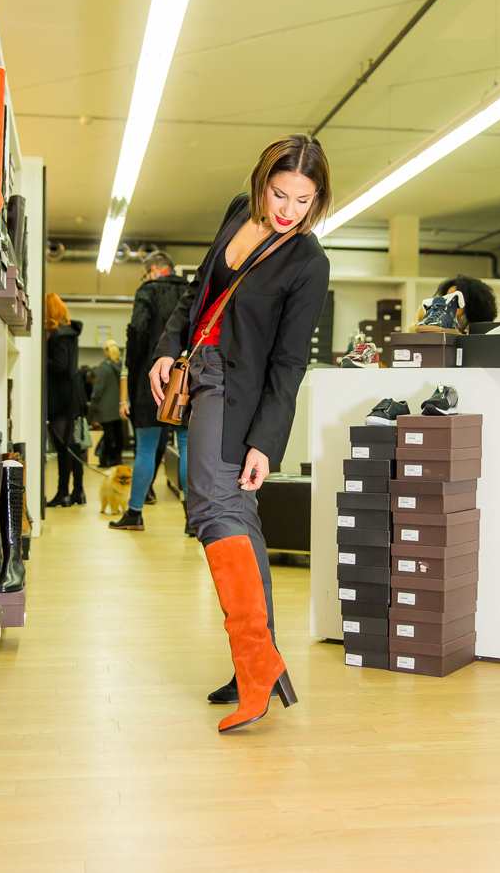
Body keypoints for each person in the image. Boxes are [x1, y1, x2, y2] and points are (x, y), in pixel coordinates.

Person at [149, 134, 332, 732]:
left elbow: (290, 361)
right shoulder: (237, 212)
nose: (288, 210)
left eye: (303, 200)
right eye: (279, 194)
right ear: (260, 184)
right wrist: (167, 347)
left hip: (237, 390)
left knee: (214, 507)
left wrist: (266, 443)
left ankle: (256, 663)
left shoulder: (309, 262)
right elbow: (199, 292)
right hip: (198, 371)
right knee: (235, 516)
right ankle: (258, 663)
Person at [109, 252, 193, 532]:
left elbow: (137, 332)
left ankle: (134, 513)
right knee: (186, 446)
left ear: (155, 270)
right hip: (185, 377)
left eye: (146, 274)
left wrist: (133, 375)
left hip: (151, 377)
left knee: (145, 448)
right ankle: (193, 519)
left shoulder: (147, 291)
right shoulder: (190, 290)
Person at [44, 293, 87, 507]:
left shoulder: (59, 336)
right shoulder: (69, 334)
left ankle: (63, 493)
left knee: (64, 448)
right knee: (72, 446)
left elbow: (60, 365)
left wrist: (41, 357)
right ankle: (78, 491)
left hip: (61, 399)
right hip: (71, 397)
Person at [90, 340, 124, 467]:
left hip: (105, 409)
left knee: (108, 436)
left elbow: (98, 390)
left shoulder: (103, 368)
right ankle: (116, 459)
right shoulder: (122, 367)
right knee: (118, 435)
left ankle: (105, 460)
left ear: (106, 352)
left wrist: (92, 410)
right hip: (119, 407)